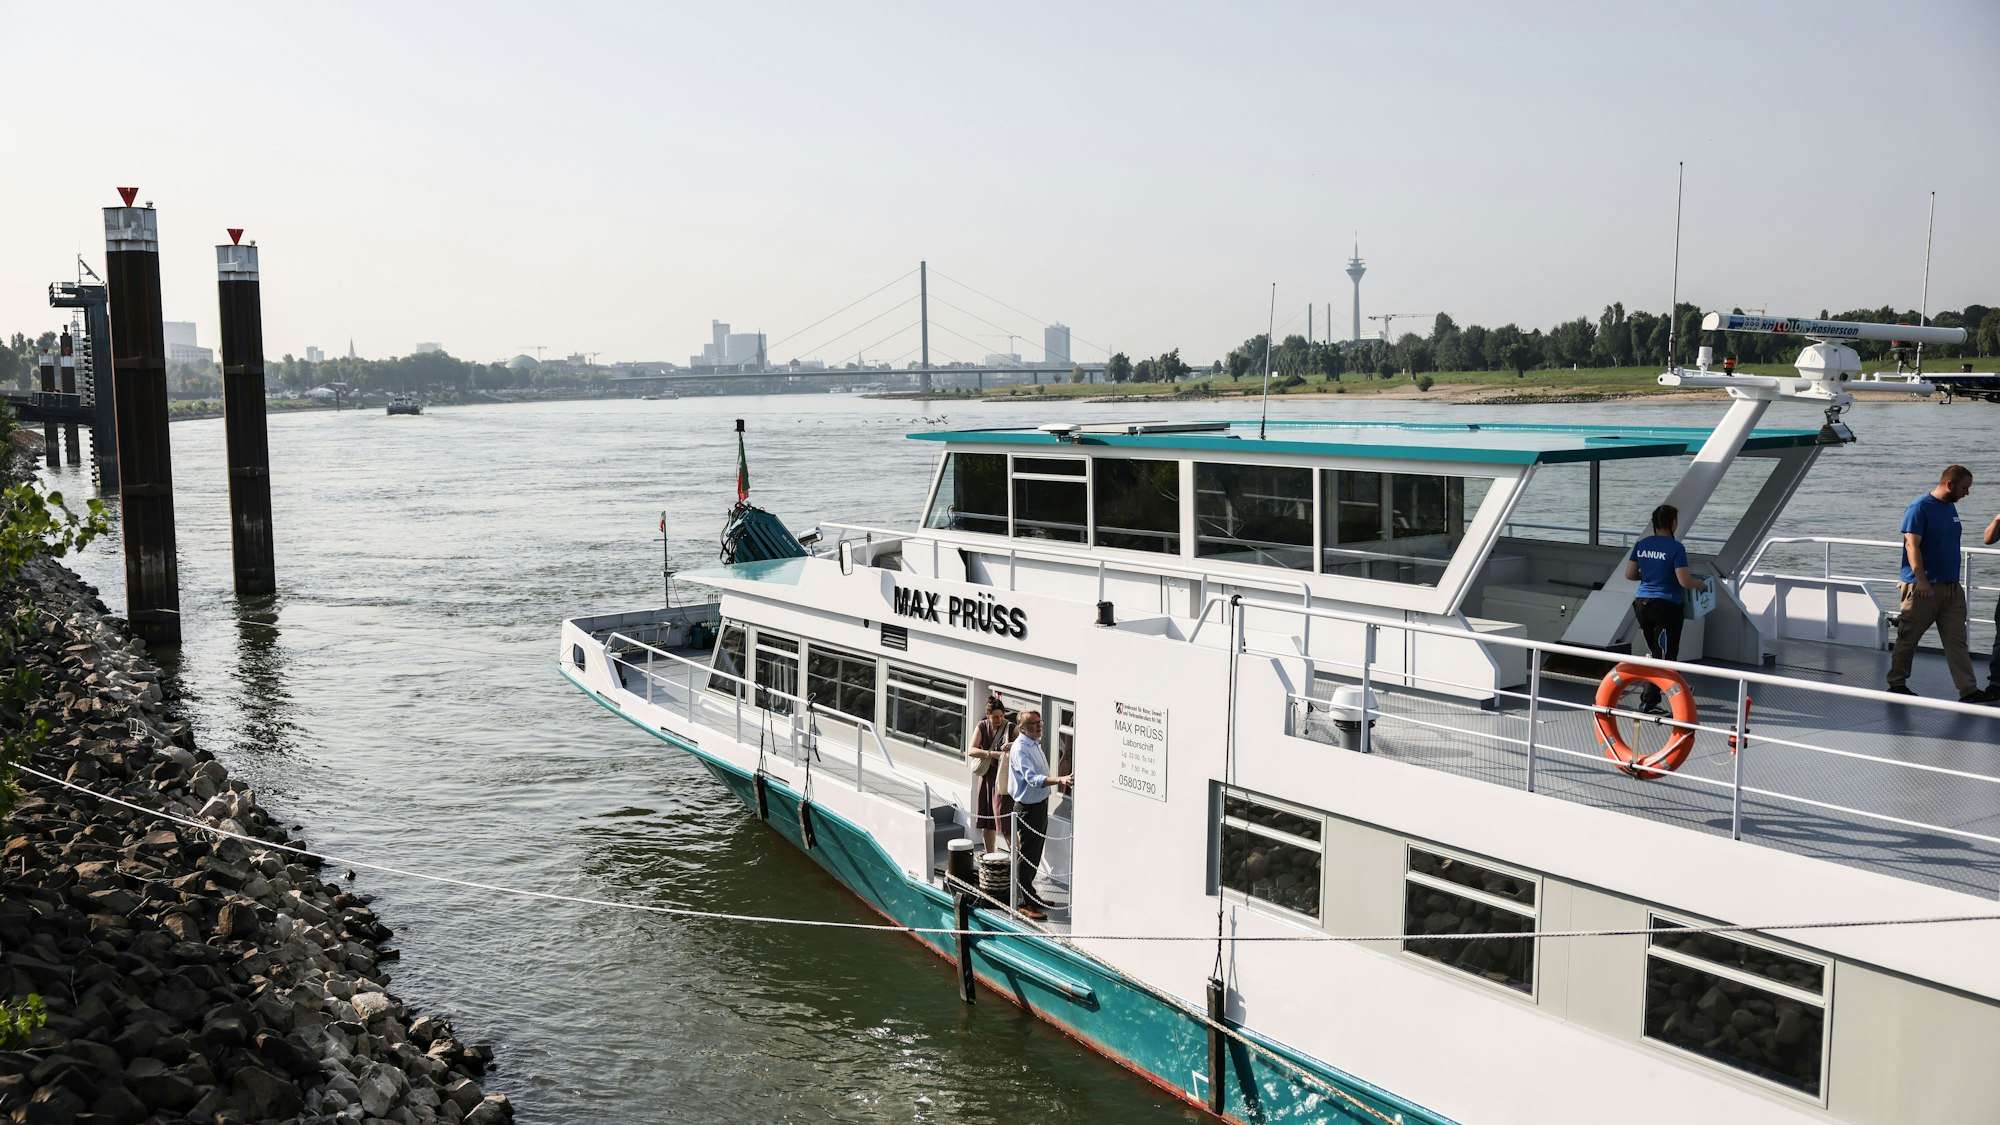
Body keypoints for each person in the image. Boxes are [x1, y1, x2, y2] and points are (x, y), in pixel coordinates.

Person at [1887, 465, 1996, 703]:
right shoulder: (1919, 507)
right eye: (1965, 488)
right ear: (1950, 485)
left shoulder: (1950, 508)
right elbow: (1911, 546)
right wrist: (1922, 581)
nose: (1967, 493)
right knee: (1909, 638)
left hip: (1951, 589)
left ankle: (1968, 690)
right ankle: (1897, 684)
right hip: (1922, 589)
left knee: (1957, 640)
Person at [1624, 503, 1709, 712]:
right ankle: (1651, 701)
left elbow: (1629, 575)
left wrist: (1650, 575)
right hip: (1666, 607)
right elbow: (1684, 581)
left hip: (1642, 605)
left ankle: (1662, 694)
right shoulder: (1676, 548)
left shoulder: (1642, 544)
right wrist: (1700, 584)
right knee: (1666, 656)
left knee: (1656, 652)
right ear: (1673, 522)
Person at [1005, 710, 1072, 921]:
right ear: (1023, 729)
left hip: (1039, 806)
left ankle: (1031, 896)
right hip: (1028, 808)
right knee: (1026, 856)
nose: (1039, 725)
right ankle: (1023, 903)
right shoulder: (1021, 749)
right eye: (1034, 723)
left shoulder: (1033, 743)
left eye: (1040, 722)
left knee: (1034, 855)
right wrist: (1060, 780)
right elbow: (1033, 779)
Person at [966, 695, 1013, 853]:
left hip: (1003, 778)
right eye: (995, 717)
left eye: (1001, 716)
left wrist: (1011, 745)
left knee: (1005, 820)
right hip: (987, 776)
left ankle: (1017, 858)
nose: (999, 719)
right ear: (988, 716)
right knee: (987, 819)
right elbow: (971, 750)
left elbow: (1023, 745)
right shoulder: (982, 726)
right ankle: (990, 855)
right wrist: (991, 754)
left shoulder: (1010, 727)